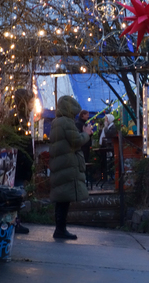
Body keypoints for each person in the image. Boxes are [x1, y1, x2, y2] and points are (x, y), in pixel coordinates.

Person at [49, 96, 92, 240]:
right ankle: (60, 230)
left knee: (62, 198)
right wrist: (86, 133)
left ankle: (60, 229)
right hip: (67, 165)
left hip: (61, 164)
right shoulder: (66, 122)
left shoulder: (56, 122)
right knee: (64, 200)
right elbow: (76, 141)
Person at [11, 88, 35, 235]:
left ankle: (16, 222)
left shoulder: (22, 118)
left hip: (21, 162)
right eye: (31, 101)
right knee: (17, 193)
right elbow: (19, 143)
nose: (33, 105)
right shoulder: (17, 119)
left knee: (18, 193)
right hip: (19, 163)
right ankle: (15, 222)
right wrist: (25, 161)